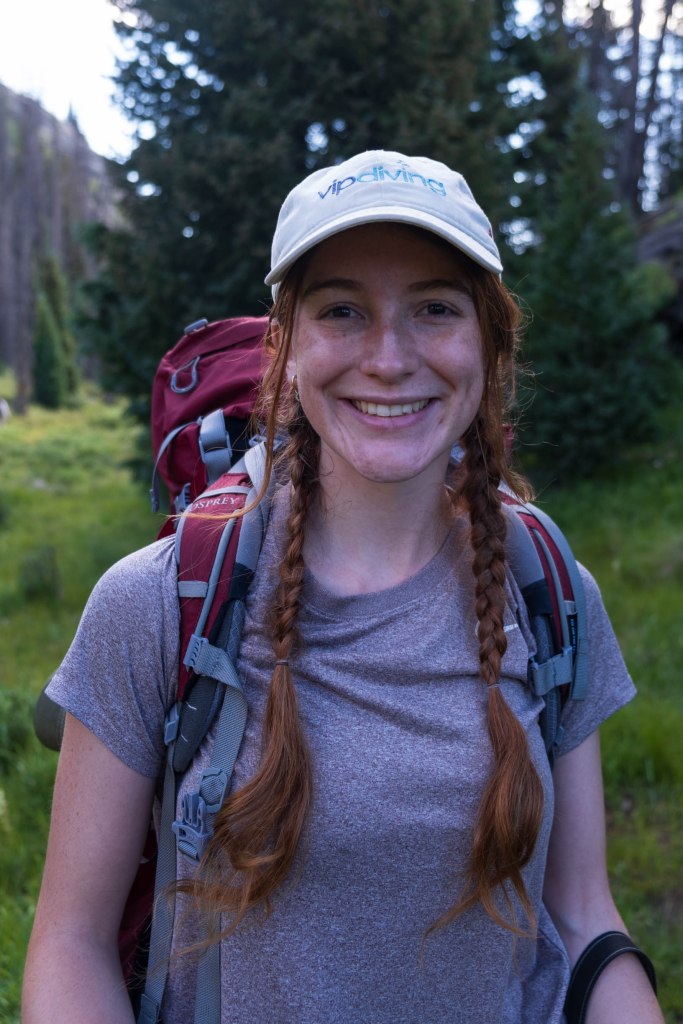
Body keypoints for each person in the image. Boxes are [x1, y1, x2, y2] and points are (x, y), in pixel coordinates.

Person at [22, 150, 664, 1024]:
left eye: (434, 307)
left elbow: (583, 916)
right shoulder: (156, 605)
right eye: (342, 311)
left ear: (490, 341)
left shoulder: (548, 591)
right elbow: (71, 945)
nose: (389, 358)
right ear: (286, 350)